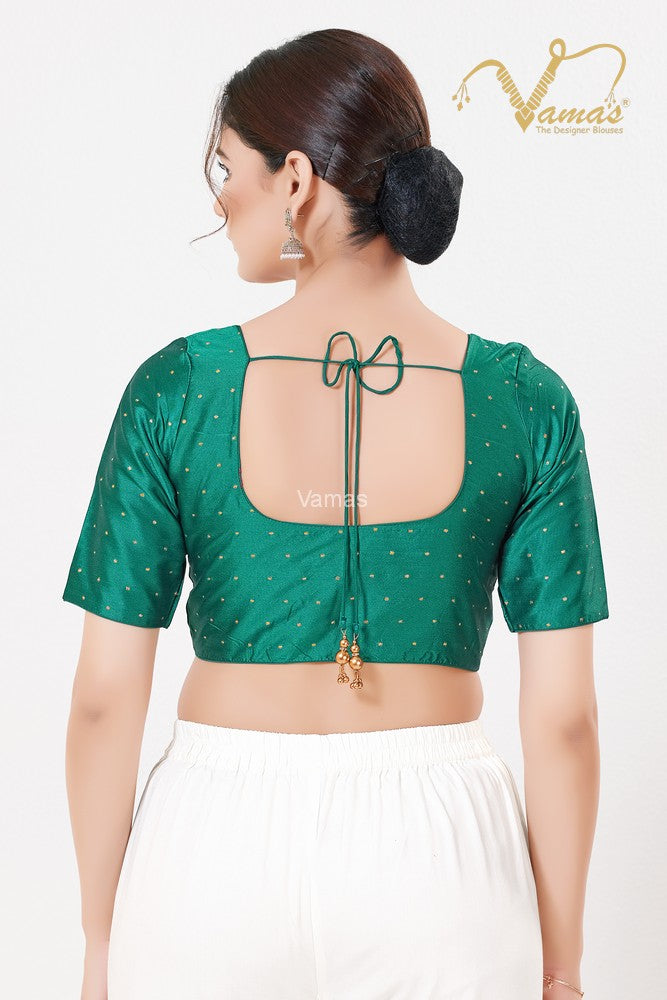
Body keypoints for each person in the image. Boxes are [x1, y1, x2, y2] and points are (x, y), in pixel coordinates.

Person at [63, 27, 608, 1000]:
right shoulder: (524, 403)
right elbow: (563, 717)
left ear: (295, 180)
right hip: (442, 867)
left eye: (226, 168)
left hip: (209, 857)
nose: (218, 199)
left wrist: (102, 944)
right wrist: (560, 966)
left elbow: (106, 696)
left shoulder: (177, 391)